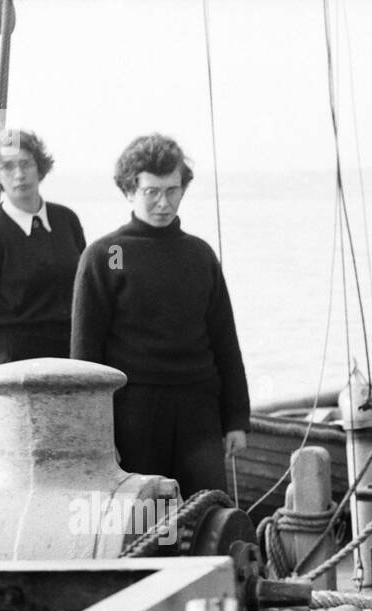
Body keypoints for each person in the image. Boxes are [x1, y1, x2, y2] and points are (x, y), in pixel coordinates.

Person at [71, 133, 249, 497]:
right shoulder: (112, 254)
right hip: (134, 413)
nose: (163, 202)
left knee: (207, 515)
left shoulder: (199, 255)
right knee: (147, 527)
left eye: (172, 190)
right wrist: (95, 434)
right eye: (151, 191)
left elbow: (225, 342)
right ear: (129, 191)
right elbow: (86, 355)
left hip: (198, 411)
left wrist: (236, 420)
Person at [0, 129, 85, 438]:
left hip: (66, 363)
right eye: (8, 166)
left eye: (26, 163)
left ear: (40, 167)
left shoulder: (66, 221)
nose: (19, 174)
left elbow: (87, 291)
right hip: (14, 372)